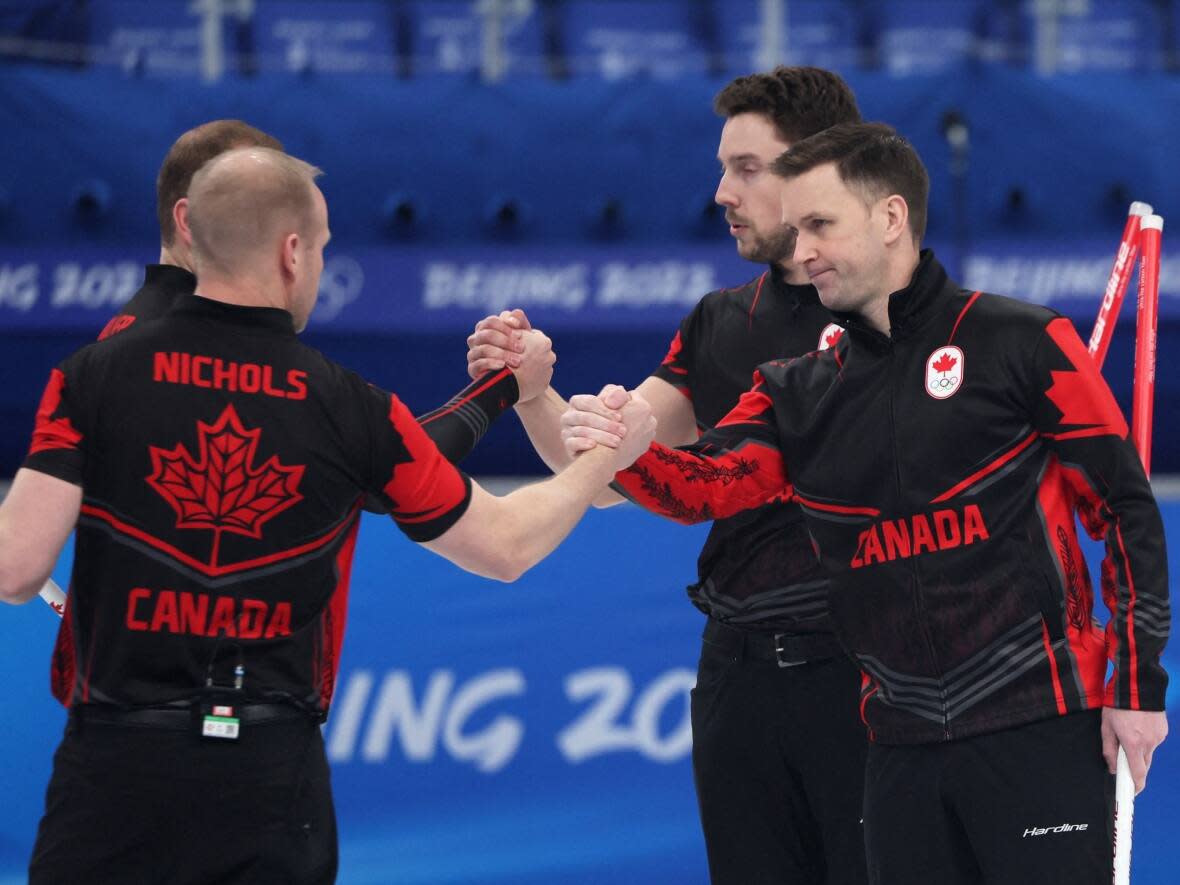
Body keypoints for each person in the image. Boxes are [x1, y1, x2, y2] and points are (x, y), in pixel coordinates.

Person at [0, 146, 656, 885]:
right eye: (320, 248)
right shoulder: (347, 404)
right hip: (267, 780)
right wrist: (606, 455)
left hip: (111, 766)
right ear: (290, 252)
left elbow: (17, 570)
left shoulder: (91, 374)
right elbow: (505, 546)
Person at [564, 122, 1169, 884]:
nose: (802, 248)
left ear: (889, 218)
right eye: (796, 227)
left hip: (1040, 726)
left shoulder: (1023, 340)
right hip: (896, 750)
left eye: (821, 224)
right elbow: (703, 487)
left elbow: (1125, 512)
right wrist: (631, 453)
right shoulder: (798, 390)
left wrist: (1139, 688)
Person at [467, 67, 868, 884]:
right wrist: (535, 393)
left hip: (869, 678)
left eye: (748, 168)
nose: (722, 191)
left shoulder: (896, 317)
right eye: (724, 167)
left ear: (821, 169)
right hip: (739, 682)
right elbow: (607, 474)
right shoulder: (721, 321)